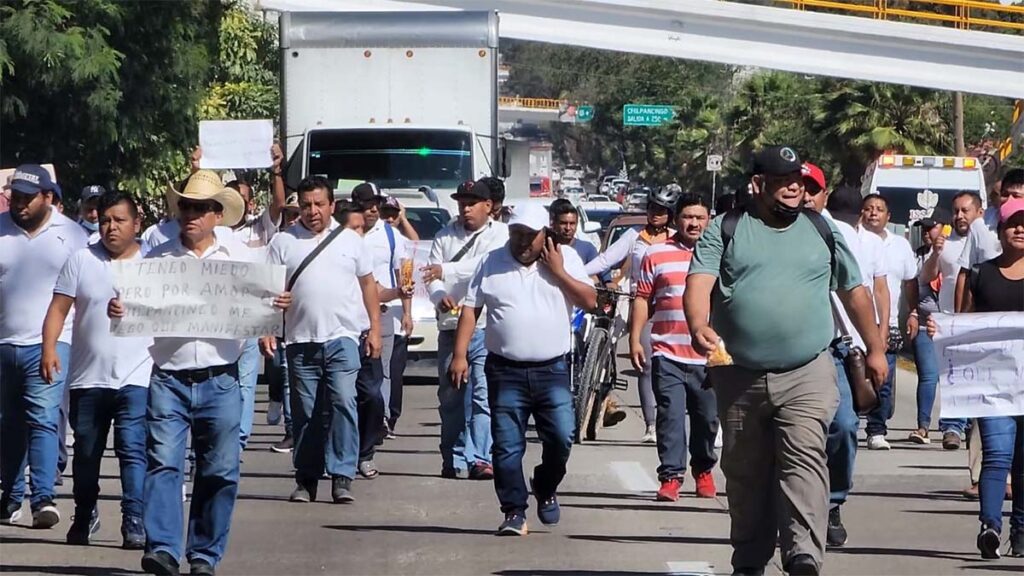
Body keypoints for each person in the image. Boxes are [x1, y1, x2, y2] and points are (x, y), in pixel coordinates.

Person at [685, 146, 887, 576]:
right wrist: (699, 323)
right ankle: (750, 560)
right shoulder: (727, 228)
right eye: (783, 180)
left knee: (804, 459)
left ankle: (802, 556)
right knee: (746, 475)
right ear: (758, 184)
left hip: (806, 370)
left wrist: (876, 348)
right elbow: (699, 282)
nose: (795, 186)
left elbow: (853, 291)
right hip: (738, 374)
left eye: (799, 180)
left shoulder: (821, 230)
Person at [108, 170, 290, 576]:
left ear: (217, 214)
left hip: (221, 378)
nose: (190, 214)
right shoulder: (155, 261)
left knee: (220, 470)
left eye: (200, 207)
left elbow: (266, 301)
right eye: (185, 206)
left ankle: (204, 556)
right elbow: (130, 308)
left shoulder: (241, 257)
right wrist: (119, 311)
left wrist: (276, 302)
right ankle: (165, 550)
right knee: (163, 464)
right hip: (169, 378)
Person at [450, 203, 596, 536]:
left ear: (545, 233)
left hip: (552, 370)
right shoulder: (492, 261)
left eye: (530, 236)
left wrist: (558, 272)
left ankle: (545, 486)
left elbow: (591, 301)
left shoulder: (566, 258)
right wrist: (460, 355)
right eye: (517, 234)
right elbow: (471, 310)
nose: (522, 242)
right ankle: (514, 510)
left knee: (561, 437)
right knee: (505, 447)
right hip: (505, 371)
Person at [40, 191, 151, 548]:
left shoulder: (156, 264)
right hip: (89, 377)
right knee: (87, 453)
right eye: (105, 220)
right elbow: (58, 309)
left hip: (139, 376)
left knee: (133, 449)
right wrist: (49, 348)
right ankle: (85, 513)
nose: (111, 227)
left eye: (119, 220)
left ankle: (133, 518)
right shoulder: (81, 260)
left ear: (137, 224)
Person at [263, 176, 382, 505]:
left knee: (344, 401)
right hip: (300, 340)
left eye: (319, 204)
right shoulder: (283, 242)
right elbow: (267, 291)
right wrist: (268, 323)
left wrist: (374, 329)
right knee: (306, 412)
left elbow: (368, 286)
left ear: (332, 205)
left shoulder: (350, 241)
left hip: (342, 337)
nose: (312, 211)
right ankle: (306, 477)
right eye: (305, 205)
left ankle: (343, 475)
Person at [929, 197, 1024, 560]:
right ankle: (990, 527)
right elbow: (963, 324)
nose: (1020, 229)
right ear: (999, 230)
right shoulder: (982, 273)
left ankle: (1020, 532)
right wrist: (943, 330)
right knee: (998, 455)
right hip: (993, 386)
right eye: (1013, 223)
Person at [0, 165, 89, 528]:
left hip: (51, 343)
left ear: (49, 197)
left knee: (42, 418)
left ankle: (43, 499)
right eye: (14, 196)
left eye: (26, 197)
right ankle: (10, 496)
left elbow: (88, 288)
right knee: (7, 424)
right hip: (4, 343)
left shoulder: (73, 235)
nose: (18, 203)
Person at [803, 163, 886, 548]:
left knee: (844, 426)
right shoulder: (757, 230)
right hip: (779, 352)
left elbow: (861, 293)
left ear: (823, 197)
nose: (801, 195)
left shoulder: (839, 236)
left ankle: (833, 502)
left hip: (833, 348)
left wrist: (875, 348)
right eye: (791, 185)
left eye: (810, 189)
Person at [629, 193, 718, 502]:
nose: (693, 223)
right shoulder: (655, 254)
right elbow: (642, 298)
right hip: (667, 351)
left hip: (709, 357)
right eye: (687, 217)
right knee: (670, 416)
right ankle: (671, 477)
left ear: (709, 219)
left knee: (707, 419)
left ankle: (703, 469)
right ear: (676, 219)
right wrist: (635, 337)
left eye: (699, 217)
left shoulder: (720, 255)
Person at [421, 179, 508, 480]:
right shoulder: (444, 236)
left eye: (472, 203)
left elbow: (483, 266)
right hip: (450, 327)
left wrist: (446, 270)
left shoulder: (501, 236)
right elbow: (430, 276)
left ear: (488, 206)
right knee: (452, 395)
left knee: (483, 395)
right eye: (462, 203)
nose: (466, 208)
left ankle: (481, 458)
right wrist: (437, 295)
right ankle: (454, 456)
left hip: (486, 327)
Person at [585, 185, 680, 443]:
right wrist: (577, 274)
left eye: (661, 211)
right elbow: (606, 261)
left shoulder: (676, 238)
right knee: (624, 348)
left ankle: (659, 422)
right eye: (652, 209)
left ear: (671, 214)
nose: (655, 214)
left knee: (655, 365)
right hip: (635, 300)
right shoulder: (633, 236)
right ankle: (601, 384)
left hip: (664, 306)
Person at [908, 193, 981, 451]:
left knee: (974, 379)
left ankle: (970, 425)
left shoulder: (990, 242)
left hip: (981, 321)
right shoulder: (946, 243)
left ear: (979, 212)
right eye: (956, 211)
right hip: (949, 321)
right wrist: (936, 254)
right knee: (952, 375)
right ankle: (952, 427)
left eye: (966, 211)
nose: (960, 216)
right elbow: (926, 278)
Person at [350, 182, 412, 477]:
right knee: (343, 393)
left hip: (381, 316)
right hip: (345, 323)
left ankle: (377, 430)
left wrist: (407, 308)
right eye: (367, 203)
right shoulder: (345, 234)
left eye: (377, 203)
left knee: (378, 382)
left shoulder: (390, 235)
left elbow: (404, 271)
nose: (373, 209)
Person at [859, 193, 916, 451]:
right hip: (855, 323)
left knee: (883, 379)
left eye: (879, 209)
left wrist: (913, 312)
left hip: (888, 322)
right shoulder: (853, 240)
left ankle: (877, 429)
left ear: (888, 216)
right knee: (854, 376)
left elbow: (910, 281)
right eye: (868, 208)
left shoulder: (900, 246)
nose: (873, 213)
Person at [266, 192, 303, 453]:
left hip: (299, 326)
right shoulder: (278, 243)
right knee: (278, 370)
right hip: (276, 321)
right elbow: (266, 286)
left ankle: (293, 431)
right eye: (291, 213)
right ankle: (275, 397)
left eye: (299, 214)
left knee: (291, 378)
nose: (296, 218)